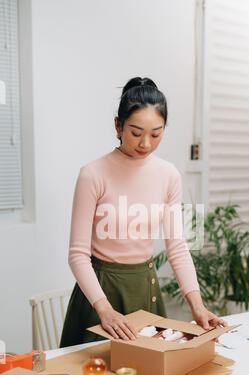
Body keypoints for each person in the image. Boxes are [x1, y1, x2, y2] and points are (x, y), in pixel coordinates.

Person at [60, 77, 226, 348]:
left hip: (145, 287)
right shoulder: (93, 174)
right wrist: (104, 309)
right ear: (118, 125)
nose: (145, 143)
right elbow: (77, 255)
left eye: (156, 134)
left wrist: (197, 305)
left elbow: (178, 247)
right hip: (101, 292)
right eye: (136, 133)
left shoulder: (168, 175)